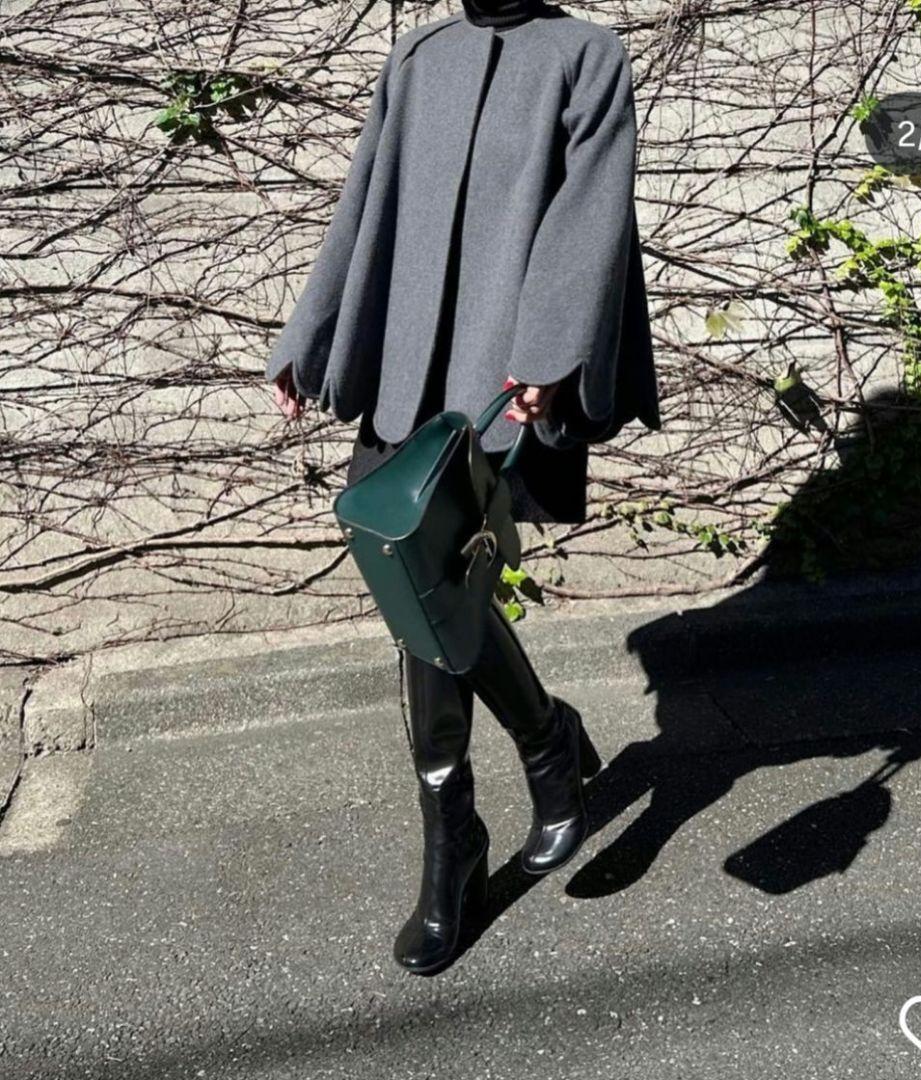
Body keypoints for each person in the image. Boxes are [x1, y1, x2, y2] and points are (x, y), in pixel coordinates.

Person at [268, 0, 660, 975]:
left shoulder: (585, 54)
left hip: (506, 375)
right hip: (406, 372)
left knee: (434, 594)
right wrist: (310, 339)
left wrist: (549, 353)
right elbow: (367, 197)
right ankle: (544, 749)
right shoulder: (420, 56)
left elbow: (589, 211)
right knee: (414, 586)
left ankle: (457, 839)